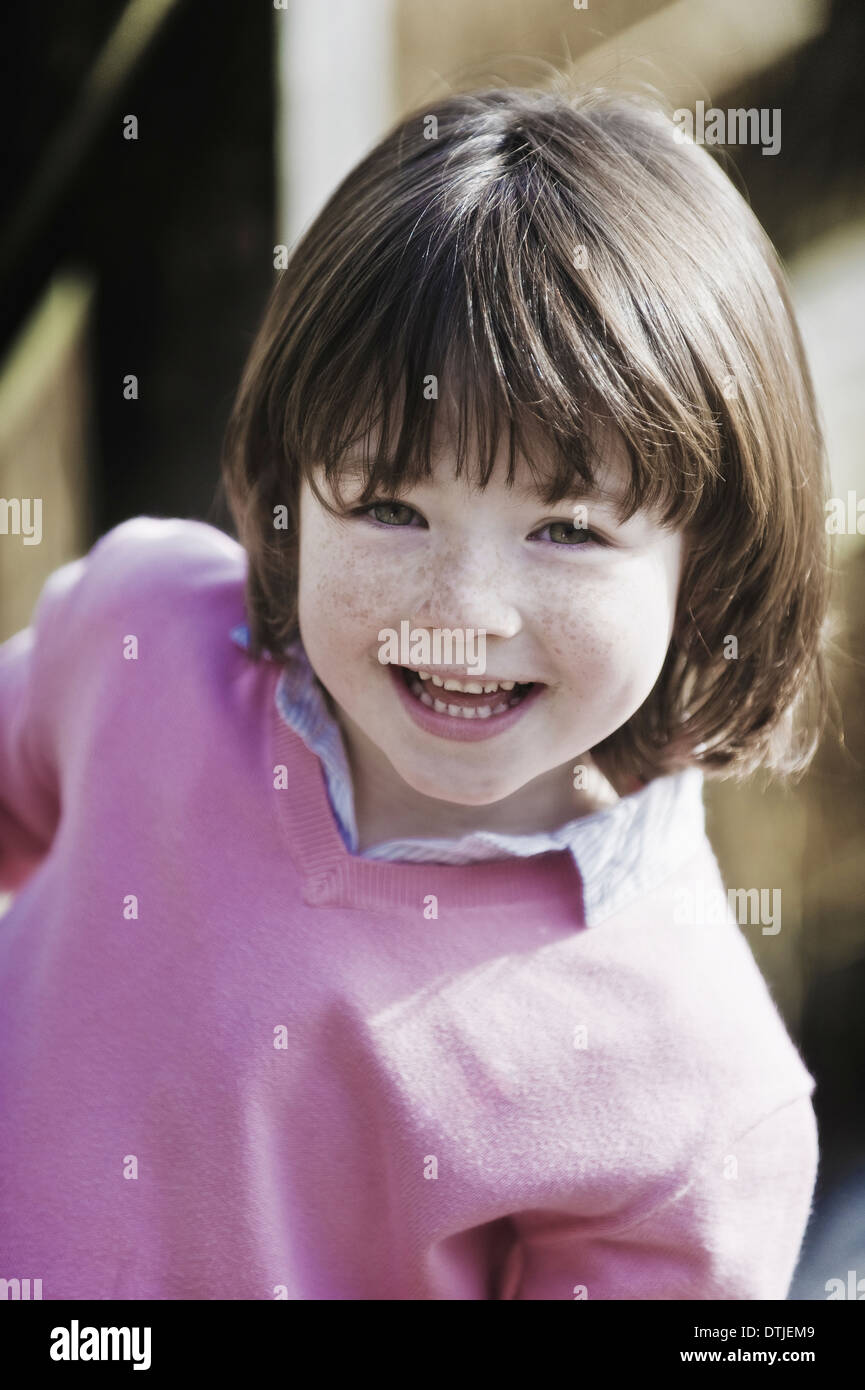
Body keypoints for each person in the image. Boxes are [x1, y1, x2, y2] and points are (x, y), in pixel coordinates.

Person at [0, 85, 830, 1299]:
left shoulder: (691, 1088)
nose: (463, 610)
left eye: (565, 530)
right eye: (390, 508)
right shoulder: (137, 641)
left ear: (710, 555)